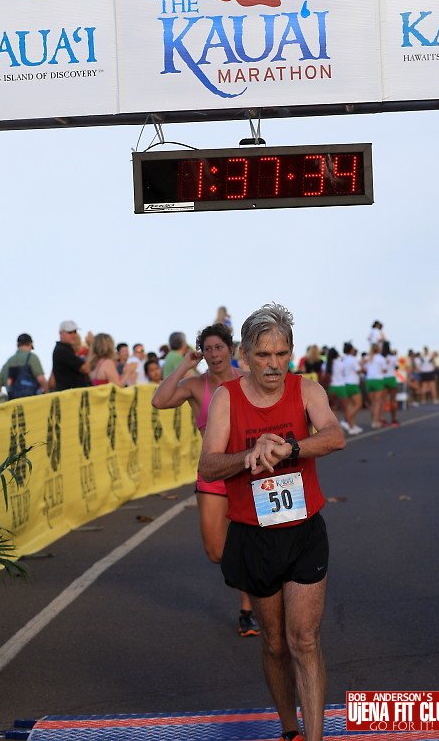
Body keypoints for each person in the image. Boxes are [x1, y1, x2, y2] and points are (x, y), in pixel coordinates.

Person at [199, 304, 345, 741]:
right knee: (276, 643)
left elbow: (335, 435)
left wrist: (290, 449)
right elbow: (207, 466)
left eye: (282, 354)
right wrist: (248, 457)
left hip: (303, 532)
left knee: (305, 639)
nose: (274, 364)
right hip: (254, 536)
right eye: (264, 354)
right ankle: (289, 729)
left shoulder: (306, 388)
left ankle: (314, 738)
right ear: (244, 354)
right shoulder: (228, 398)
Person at [152, 322, 260, 637]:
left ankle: (248, 609)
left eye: (219, 348)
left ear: (230, 350)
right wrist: (185, 365)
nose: (214, 354)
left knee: (254, 540)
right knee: (217, 552)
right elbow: (159, 401)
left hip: (250, 471)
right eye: (208, 349)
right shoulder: (196, 386)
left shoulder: (246, 379)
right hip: (213, 473)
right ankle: (253, 582)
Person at [52, 320, 91, 390]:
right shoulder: (62, 350)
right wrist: (91, 345)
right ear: (61, 334)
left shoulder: (64, 349)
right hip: (70, 396)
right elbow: (85, 368)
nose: (73, 335)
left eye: (75, 332)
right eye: (70, 332)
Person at [364, 343, 387, 428]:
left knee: (372, 402)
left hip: (369, 380)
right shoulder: (381, 358)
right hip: (378, 380)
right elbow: (384, 370)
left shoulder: (368, 358)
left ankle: (373, 419)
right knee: (377, 402)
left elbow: (362, 364)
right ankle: (375, 421)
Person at [380, 341, 400, 426]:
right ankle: (393, 419)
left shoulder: (380, 357)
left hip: (383, 378)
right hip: (391, 378)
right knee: (392, 400)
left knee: (383, 400)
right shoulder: (393, 357)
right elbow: (397, 367)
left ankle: (382, 419)